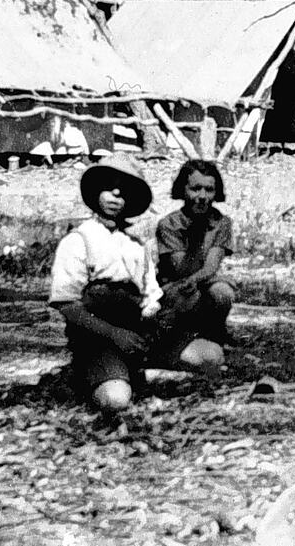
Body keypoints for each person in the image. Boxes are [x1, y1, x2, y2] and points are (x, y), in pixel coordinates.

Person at [48, 154, 223, 413]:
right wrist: (114, 334)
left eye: (124, 190)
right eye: (109, 186)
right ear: (96, 192)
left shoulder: (135, 246)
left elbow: (151, 295)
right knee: (115, 400)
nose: (116, 193)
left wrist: (157, 314)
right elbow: (67, 305)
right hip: (99, 336)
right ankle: (80, 376)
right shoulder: (78, 240)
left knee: (212, 357)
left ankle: (133, 369)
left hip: (136, 331)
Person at [156, 159, 237, 346]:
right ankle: (176, 336)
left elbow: (211, 265)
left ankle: (215, 332)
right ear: (183, 189)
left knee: (222, 291)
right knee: (187, 296)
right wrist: (195, 236)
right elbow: (181, 270)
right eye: (195, 188)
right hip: (175, 286)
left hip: (203, 281)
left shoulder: (221, 222)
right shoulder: (169, 225)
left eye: (209, 190)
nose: (202, 196)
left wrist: (197, 280)